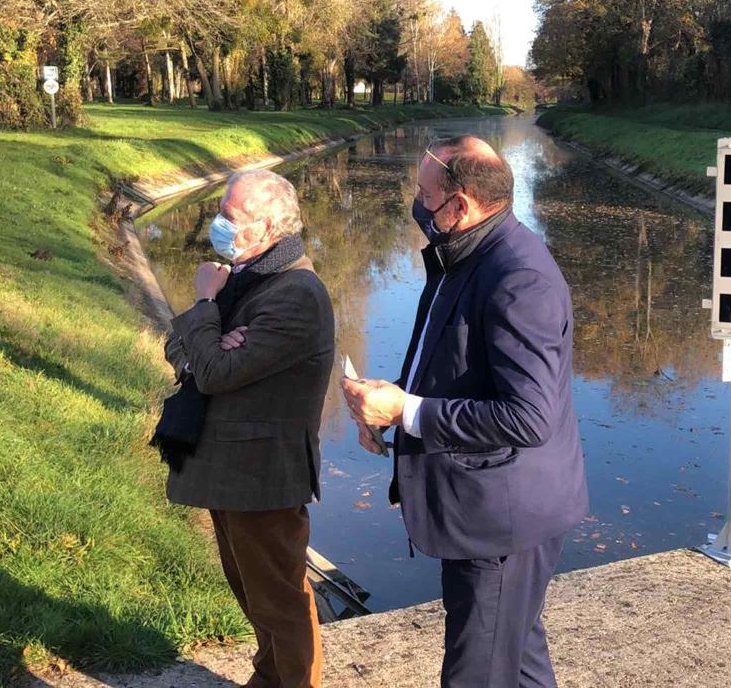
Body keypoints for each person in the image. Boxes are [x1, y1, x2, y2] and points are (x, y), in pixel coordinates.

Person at [341, 136, 588, 688]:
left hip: (502, 521)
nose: (417, 207)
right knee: (517, 658)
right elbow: (452, 362)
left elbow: (527, 417)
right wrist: (391, 401)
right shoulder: (465, 253)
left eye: (426, 197)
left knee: (476, 673)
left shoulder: (519, 278)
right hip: (491, 511)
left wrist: (407, 412)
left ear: (463, 203)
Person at [163, 168, 334, 688]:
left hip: (263, 475)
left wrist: (204, 308)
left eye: (231, 217)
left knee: (279, 597)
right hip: (227, 466)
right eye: (220, 210)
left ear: (270, 228)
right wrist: (207, 340)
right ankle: (268, 676)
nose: (218, 224)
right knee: (248, 589)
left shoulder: (295, 293)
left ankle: (295, 683)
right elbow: (179, 348)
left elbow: (213, 370)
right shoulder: (243, 276)